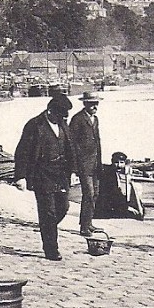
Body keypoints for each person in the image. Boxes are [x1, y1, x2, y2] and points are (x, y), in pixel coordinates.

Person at [13, 94, 77, 261]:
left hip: (61, 174)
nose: (62, 119)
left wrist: (74, 171)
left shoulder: (63, 124)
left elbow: (71, 149)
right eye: (60, 115)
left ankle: (47, 229)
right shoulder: (35, 125)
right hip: (42, 174)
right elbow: (22, 152)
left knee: (63, 208)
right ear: (50, 111)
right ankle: (51, 249)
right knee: (48, 212)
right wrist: (20, 176)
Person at [69, 92, 106, 237]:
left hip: (95, 164)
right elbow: (71, 145)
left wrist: (100, 163)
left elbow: (98, 142)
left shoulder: (95, 119)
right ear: (85, 104)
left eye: (96, 103)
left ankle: (88, 223)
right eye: (91, 103)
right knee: (89, 194)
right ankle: (84, 227)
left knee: (95, 194)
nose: (94, 106)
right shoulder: (77, 119)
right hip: (83, 165)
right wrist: (74, 168)